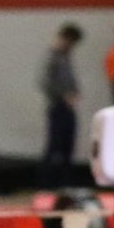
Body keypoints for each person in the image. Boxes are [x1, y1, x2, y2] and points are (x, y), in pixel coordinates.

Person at [39, 23, 84, 187]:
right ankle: (46, 184)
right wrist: (63, 95)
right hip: (58, 106)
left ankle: (65, 183)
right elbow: (44, 82)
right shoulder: (53, 55)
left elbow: (70, 80)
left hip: (68, 106)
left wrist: (75, 93)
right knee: (54, 145)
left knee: (68, 146)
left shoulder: (66, 56)